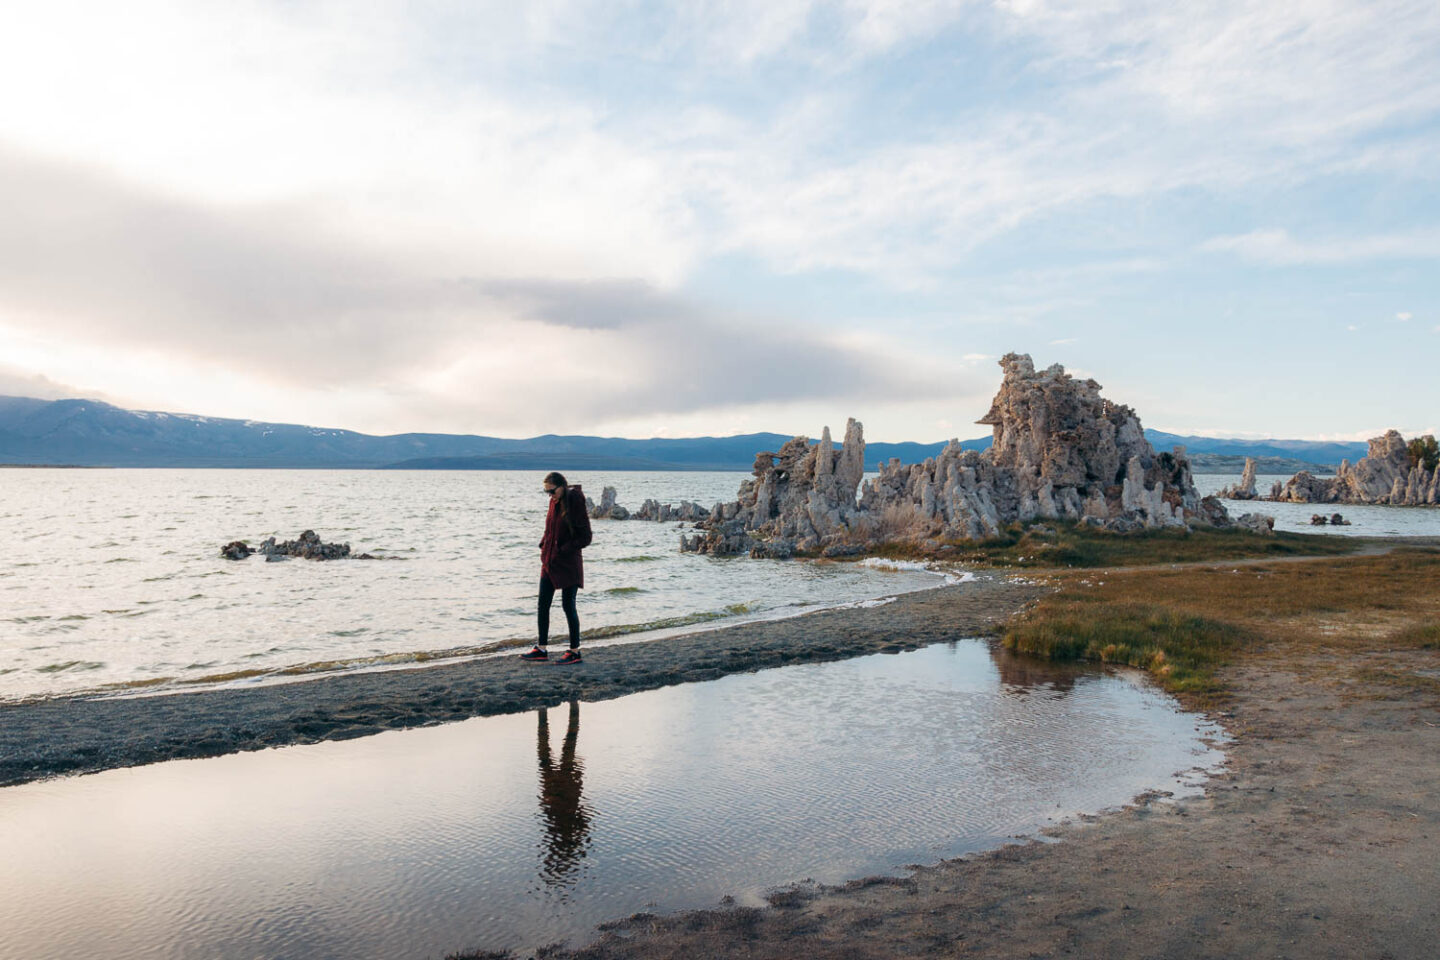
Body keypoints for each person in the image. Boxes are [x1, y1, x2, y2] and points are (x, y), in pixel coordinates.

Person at [521, 471, 592, 664]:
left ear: (562, 486)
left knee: (568, 605)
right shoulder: (553, 501)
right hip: (550, 561)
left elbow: (586, 537)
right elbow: (550, 528)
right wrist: (544, 544)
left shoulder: (575, 501)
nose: (549, 495)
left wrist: (563, 549)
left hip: (568, 562)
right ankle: (541, 649)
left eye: (552, 491)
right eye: (546, 492)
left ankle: (574, 651)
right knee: (543, 603)